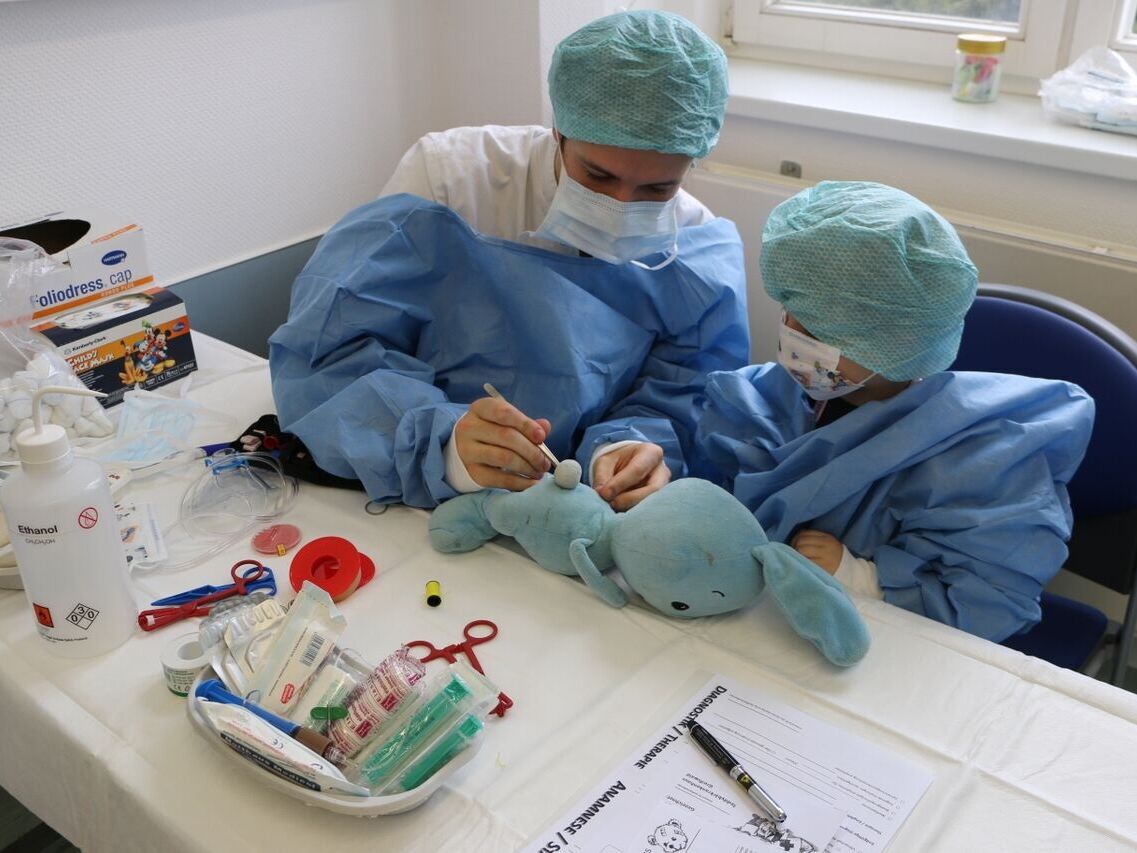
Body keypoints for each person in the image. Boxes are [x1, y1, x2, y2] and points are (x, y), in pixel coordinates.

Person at [269, 11, 748, 510]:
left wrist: (630, 447)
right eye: (597, 176)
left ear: (692, 163)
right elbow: (331, 354)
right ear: (560, 130)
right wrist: (446, 446)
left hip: (581, 506)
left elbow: (689, 391)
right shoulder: (449, 182)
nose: (621, 206)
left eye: (658, 188)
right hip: (412, 483)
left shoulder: (693, 245)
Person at [693, 181, 1094, 643]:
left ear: (895, 344)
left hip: (882, 643)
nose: (792, 335)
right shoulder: (768, 395)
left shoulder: (984, 456)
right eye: (790, 310)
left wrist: (863, 578)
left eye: (819, 332)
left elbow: (991, 603)